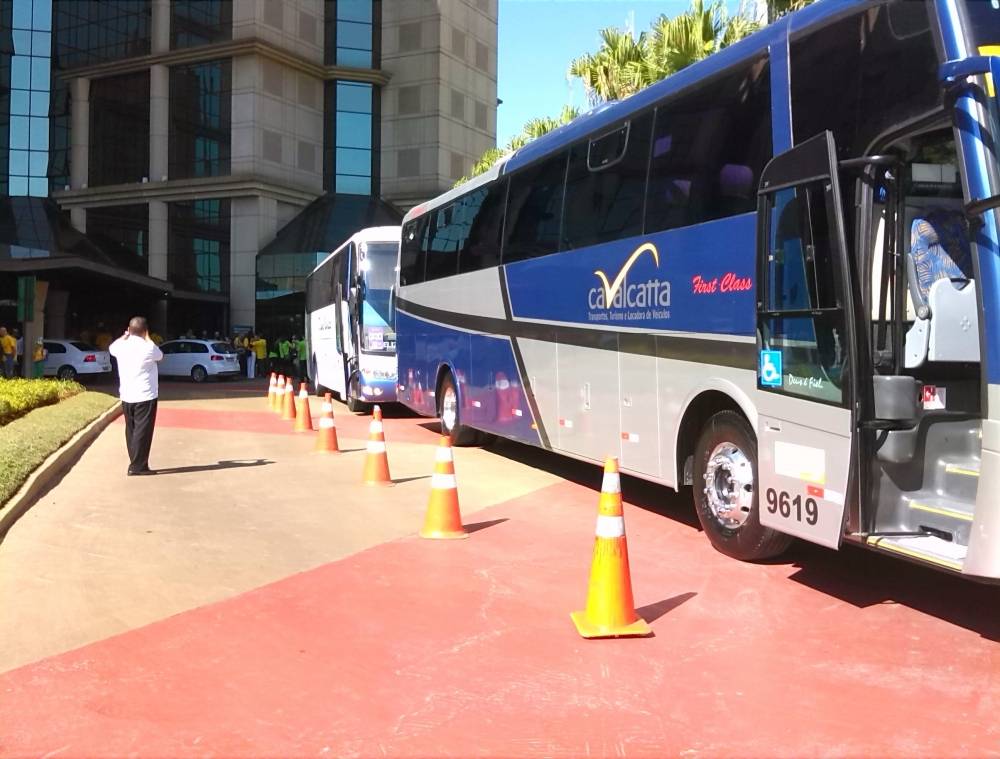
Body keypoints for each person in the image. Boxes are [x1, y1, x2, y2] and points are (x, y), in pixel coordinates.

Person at [109, 316, 163, 476]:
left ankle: (135, 460)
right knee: (143, 430)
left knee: (131, 429)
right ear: (146, 331)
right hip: (145, 394)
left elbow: (112, 347)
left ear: (129, 329)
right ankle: (138, 466)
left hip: (126, 394)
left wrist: (124, 336)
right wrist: (147, 338)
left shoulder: (120, 346)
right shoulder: (148, 347)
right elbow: (160, 355)